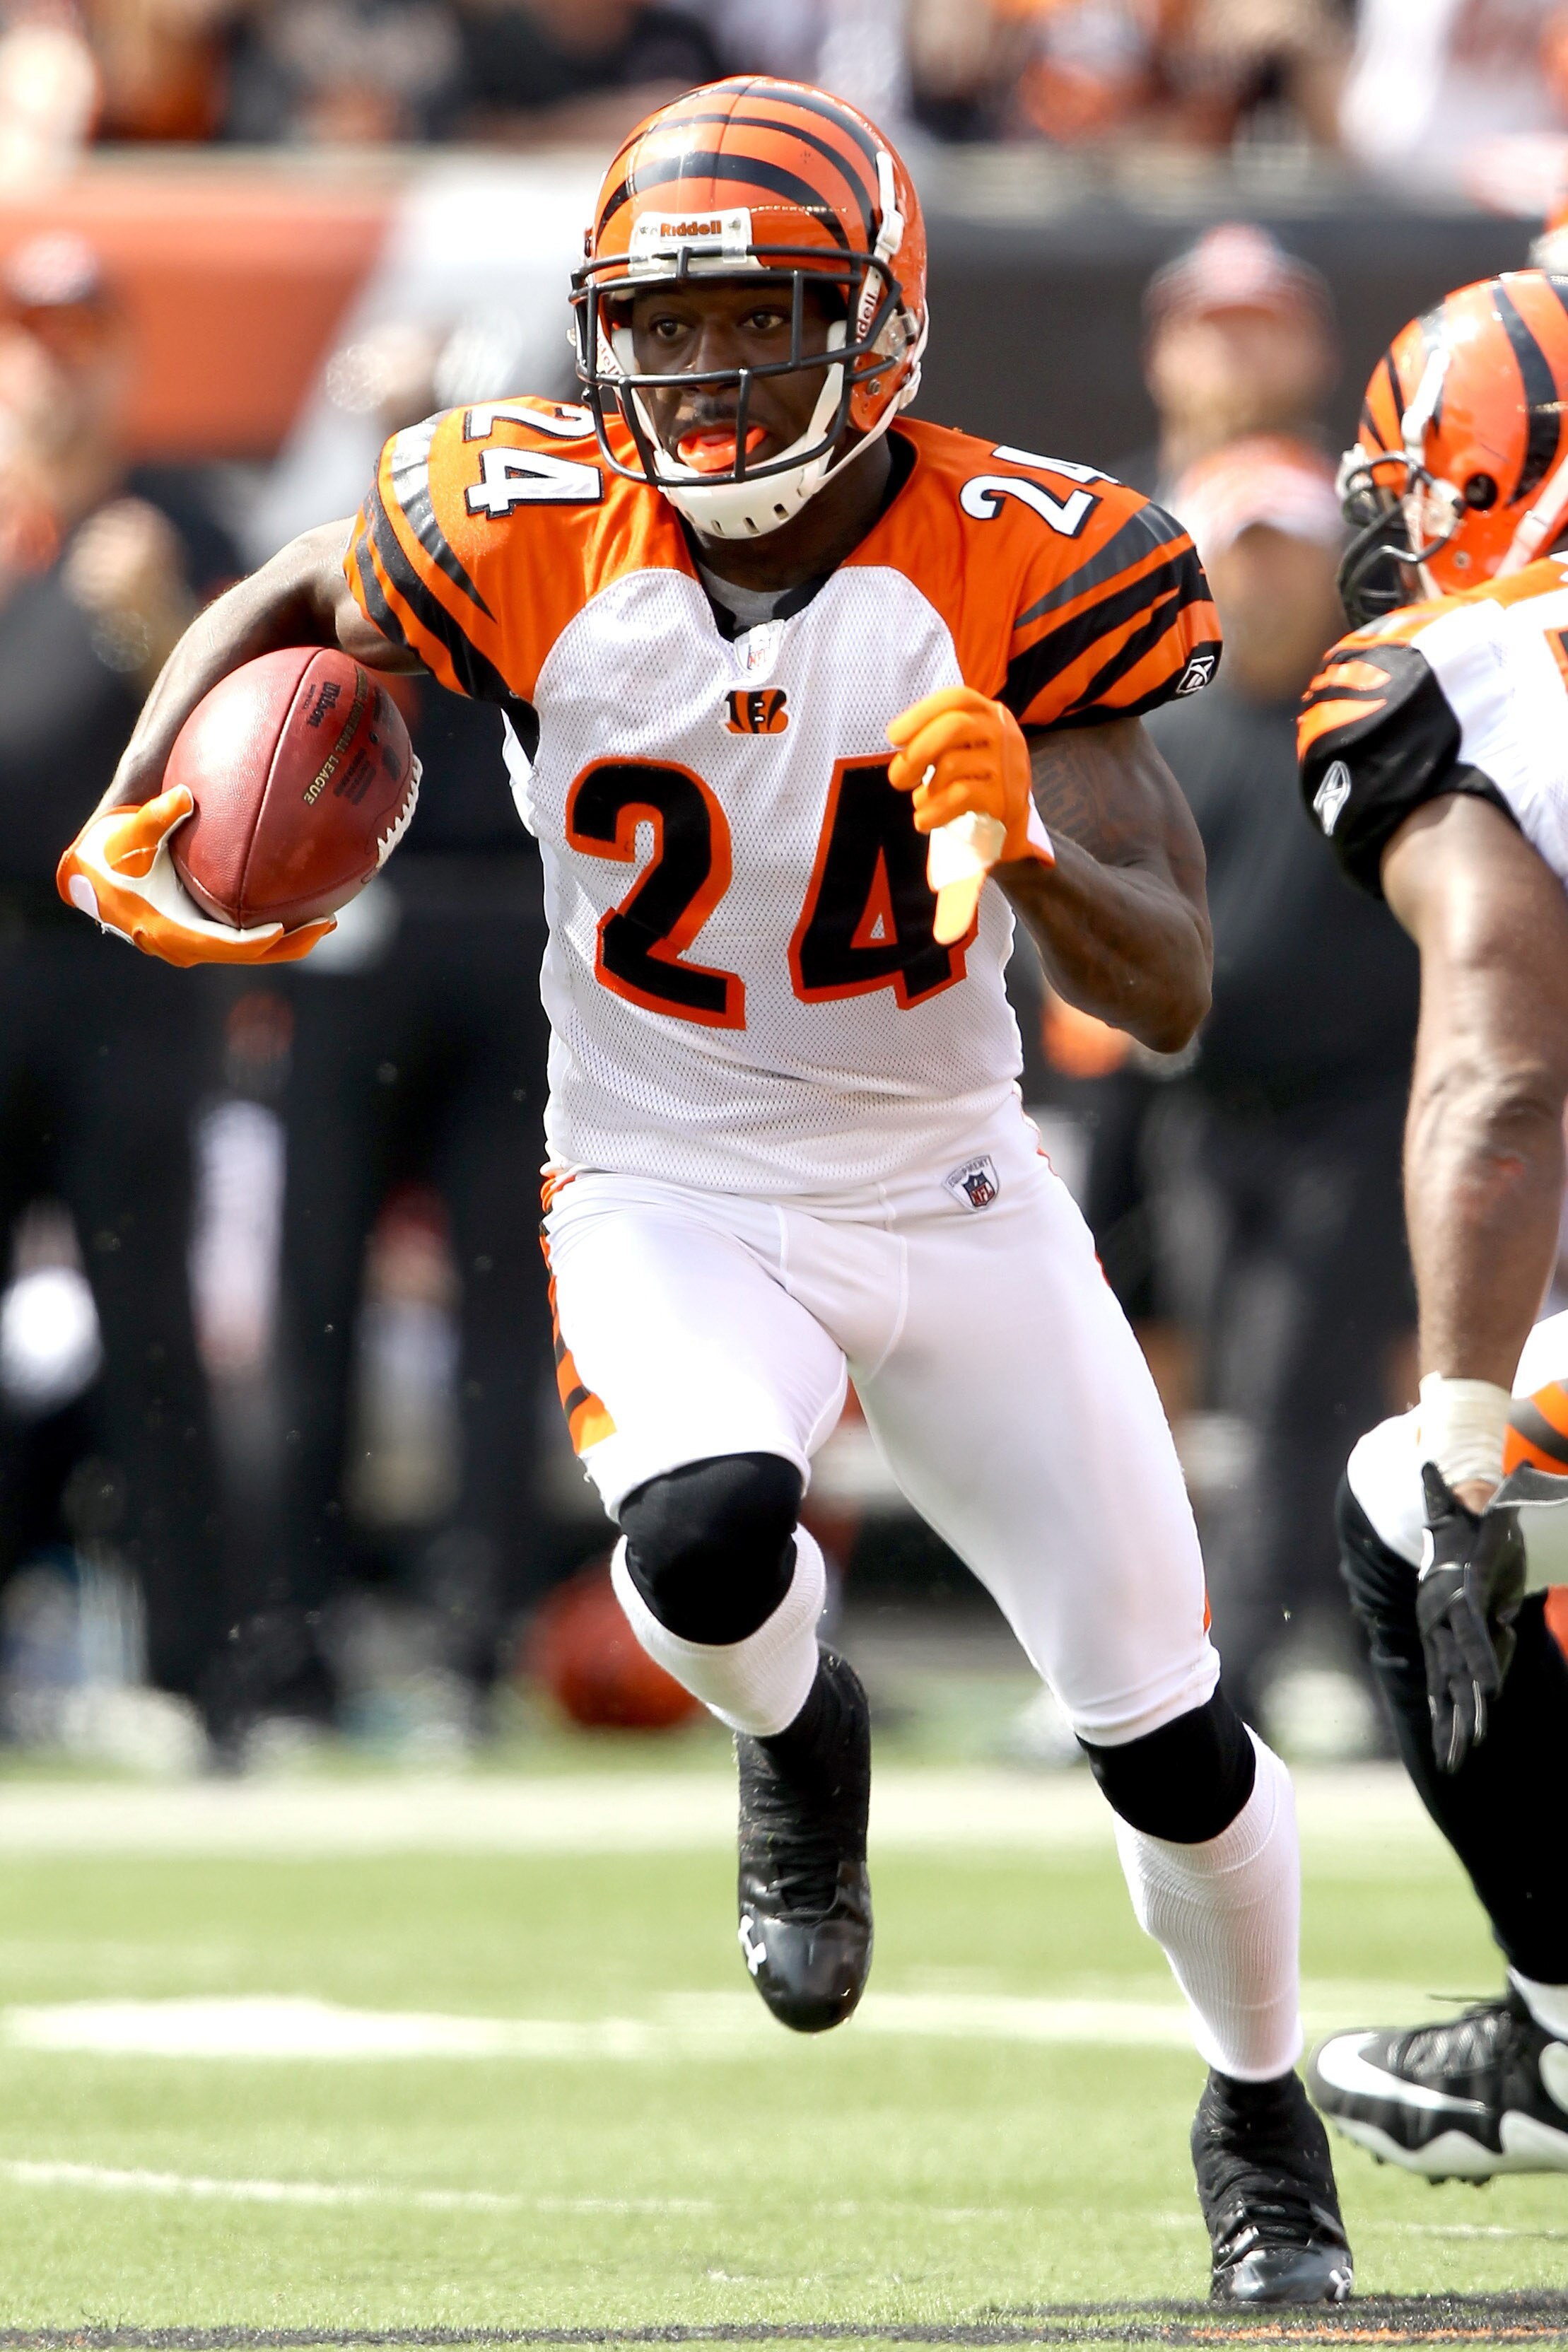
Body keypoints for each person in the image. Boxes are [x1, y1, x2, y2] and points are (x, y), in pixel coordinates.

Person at [58, 78, 1352, 2301]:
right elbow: (291, 592)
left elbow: (1173, 985)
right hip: (659, 1172)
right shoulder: (521, 510)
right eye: (663, 330)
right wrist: (136, 793)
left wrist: (1026, 840)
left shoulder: (1019, 551)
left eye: (762, 323)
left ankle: (1261, 2111)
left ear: (882, 329)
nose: (706, 374)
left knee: (1168, 1729)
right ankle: (798, 1724)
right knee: (702, 1530)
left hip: (948, 1185)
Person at [1294, 266, 1568, 2177]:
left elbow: (1501, 1070)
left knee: (1426, 1502)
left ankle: (1562, 2035)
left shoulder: (1464, 670)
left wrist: (1473, 1436)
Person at [1141, 435, 1418, 1728]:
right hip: (1202, 1112)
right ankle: (1368, 1651)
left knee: (1297, 1370)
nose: (1260, 581)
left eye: (1283, 551)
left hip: (1358, 1108)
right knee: (1284, 1389)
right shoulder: (1164, 734)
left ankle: (1238, 1664)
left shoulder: (1379, 713)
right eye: (1238, 553)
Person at [0, 232, 233, 1704]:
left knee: (150, 1318)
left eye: (75, 341)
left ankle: (198, 1670)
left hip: (121, 962)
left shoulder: (177, 523)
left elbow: (256, 752)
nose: (49, 370)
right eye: (28, 338)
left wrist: (154, 622)